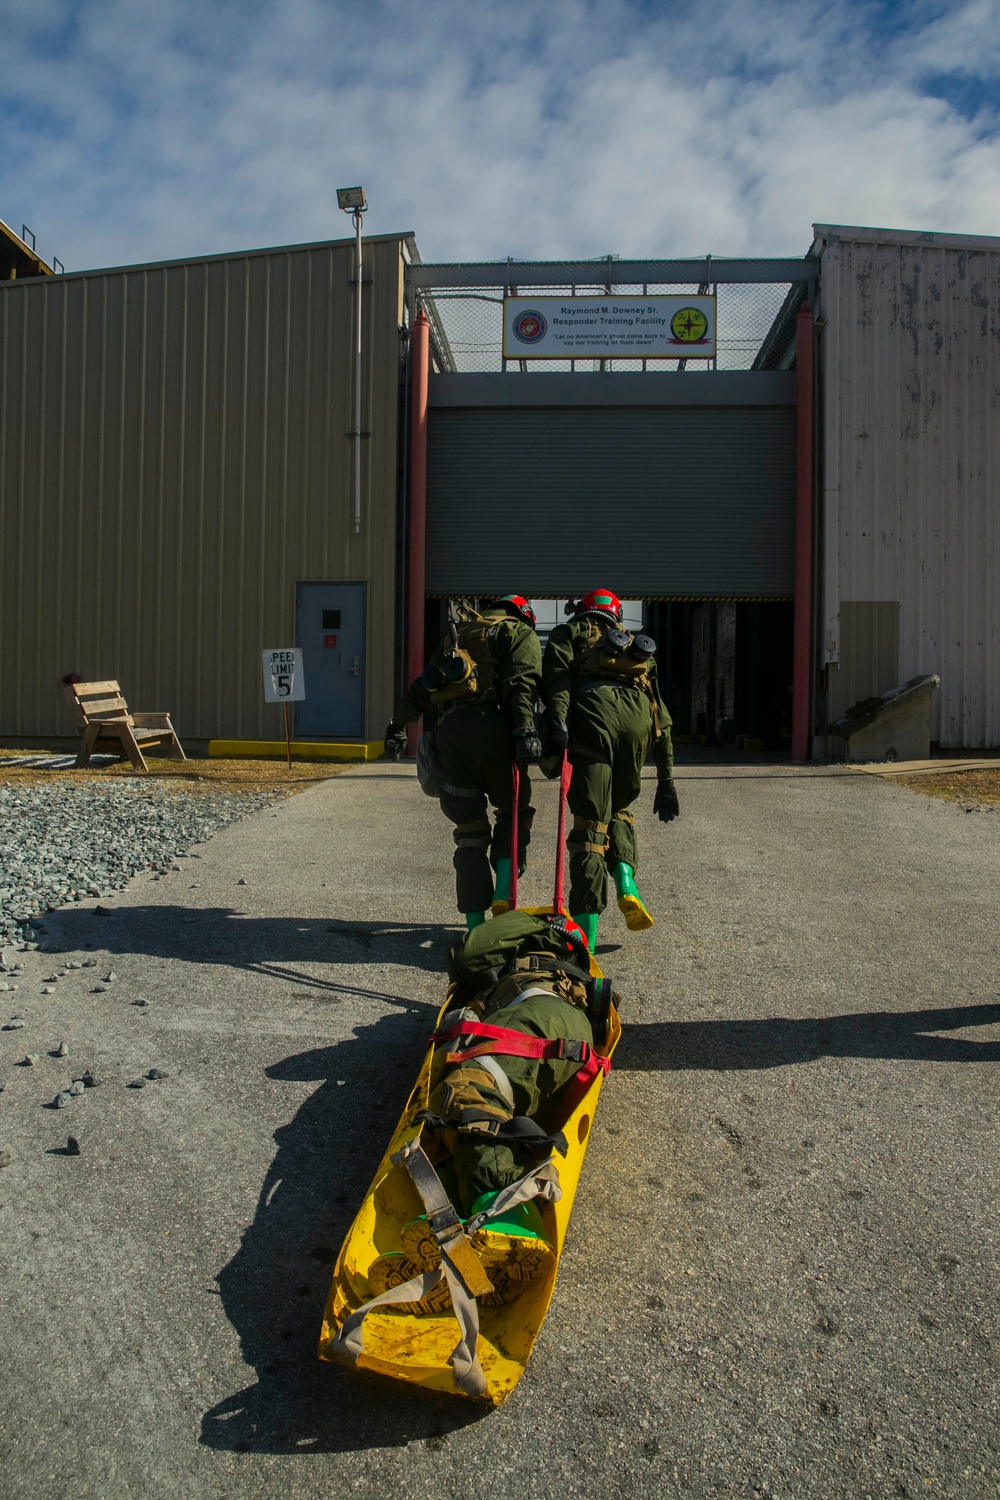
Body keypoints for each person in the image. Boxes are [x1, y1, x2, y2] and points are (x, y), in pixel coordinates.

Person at [383, 596, 543, 930]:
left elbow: (424, 687)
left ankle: (474, 928)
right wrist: (526, 729)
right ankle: (503, 892)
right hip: (495, 730)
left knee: (469, 832)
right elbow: (521, 683)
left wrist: (398, 725)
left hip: (451, 737)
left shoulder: (458, 638)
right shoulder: (517, 632)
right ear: (524, 616)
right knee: (513, 812)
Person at [541, 588, 679, 949]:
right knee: (619, 809)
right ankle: (626, 883)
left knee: (590, 826)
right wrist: (666, 780)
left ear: (583, 611)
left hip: (593, 720)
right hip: (637, 727)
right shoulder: (636, 649)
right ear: (615, 615)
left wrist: (556, 723)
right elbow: (661, 715)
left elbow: (557, 682)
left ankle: (585, 937)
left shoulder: (569, 633)